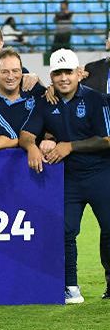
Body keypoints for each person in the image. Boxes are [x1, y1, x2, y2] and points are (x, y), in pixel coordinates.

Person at [21, 48, 110, 304]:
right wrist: (32, 146)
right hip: (68, 177)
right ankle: (71, 286)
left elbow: (106, 139)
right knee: (65, 231)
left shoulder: (96, 100)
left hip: (101, 173)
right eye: (57, 73)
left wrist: (69, 146)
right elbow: (26, 133)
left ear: (78, 74)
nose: (63, 78)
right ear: (51, 76)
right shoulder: (46, 102)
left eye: (68, 72)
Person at [0, 48, 42, 134]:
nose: (10, 77)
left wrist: (50, 139)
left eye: (15, 71)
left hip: (34, 146)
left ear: (21, 71)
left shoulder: (35, 89)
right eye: (4, 72)